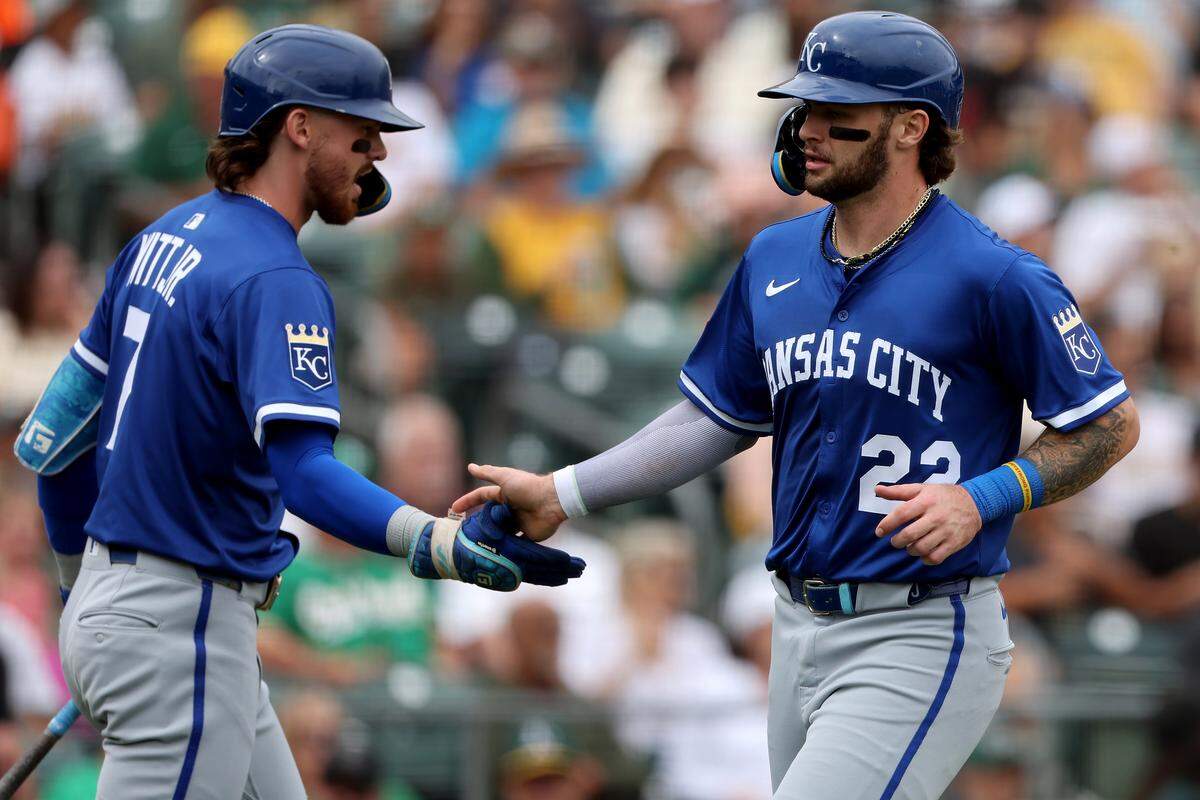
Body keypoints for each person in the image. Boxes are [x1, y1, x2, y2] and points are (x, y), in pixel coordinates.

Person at [452, 11, 1140, 799]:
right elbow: (713, 418)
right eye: (805, 106)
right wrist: (565, 492)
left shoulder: (995, 276)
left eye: (836, 112)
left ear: (912, 127)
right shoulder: (773, 256)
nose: (808, 128)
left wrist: (985, 496)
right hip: (795, 625)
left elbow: (1110, 423)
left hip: (917, 623)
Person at [13, 24, 584, 799]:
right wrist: (438, 543)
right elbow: (306, 475)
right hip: (179, 624)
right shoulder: (276, 277)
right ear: (300, 126)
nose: (379, 154)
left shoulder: (157, 238)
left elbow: (54, 439)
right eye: (362, 132)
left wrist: (89, 592)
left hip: (155, 615)